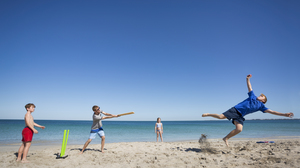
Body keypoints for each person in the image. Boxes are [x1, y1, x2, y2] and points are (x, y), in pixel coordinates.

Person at [202, 74, 294, 147]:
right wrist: (247, 79)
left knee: (239, 129)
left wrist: (285, 114)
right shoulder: (252, 96)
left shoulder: (261, 106)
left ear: (263, 100)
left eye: (262, 96)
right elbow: (249, 86)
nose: (260, 95)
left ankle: (226, 138)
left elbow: (273, 112)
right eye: (261, 95)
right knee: (220, 117)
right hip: (235, 110)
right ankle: (209, 114)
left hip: (240, 116)